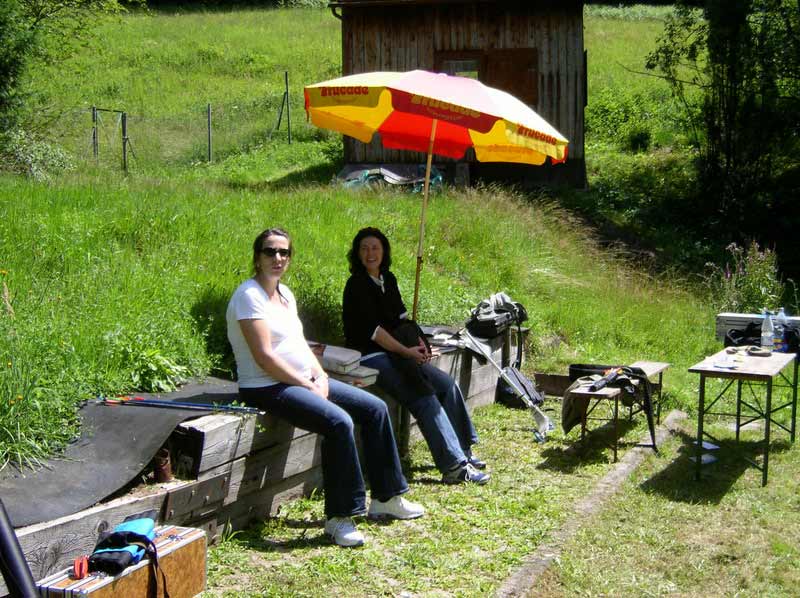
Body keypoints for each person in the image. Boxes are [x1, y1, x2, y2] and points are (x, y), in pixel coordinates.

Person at [226, 227, 424, 548]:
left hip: (303, 379)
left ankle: (386, 498)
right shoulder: (249, 296)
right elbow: (264, 357)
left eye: (284, 252)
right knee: (339, 422)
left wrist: (320, 374)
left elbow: (300, 343)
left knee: (375, 408)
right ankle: (339, 518)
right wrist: (306, 382)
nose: (278, 258)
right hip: (266, 385)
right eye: (270, 251)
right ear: (257, 257)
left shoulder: (285, 294)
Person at [342, 227, 490, 485]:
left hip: (400, 352)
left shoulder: (388, 279)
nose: (370, 253)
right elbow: (374, 333)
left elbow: (401, 319)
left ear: (384, 251)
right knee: (422, 395)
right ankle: (454, 467)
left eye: (375, 247)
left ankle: (463, 450)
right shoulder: (356, 285)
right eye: (364, 248)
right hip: (372, 355)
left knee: (446, 384)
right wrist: (407, 352)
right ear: (357, 253)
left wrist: (420, 343)